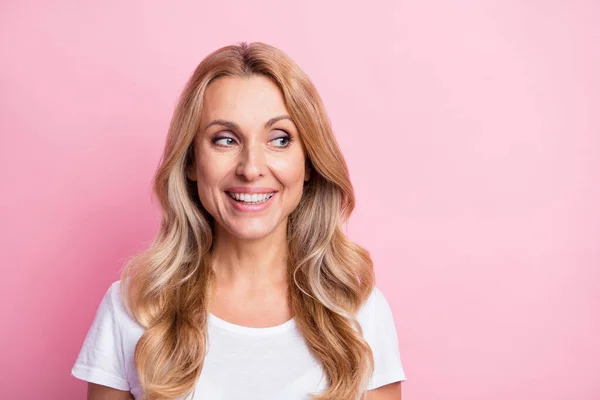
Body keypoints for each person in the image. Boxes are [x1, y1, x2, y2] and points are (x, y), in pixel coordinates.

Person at [71, 42, 407, 400]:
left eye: (279, 139)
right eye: (225, 139)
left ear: (308, 163)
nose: (250, 168)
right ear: (190, 163)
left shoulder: (359, 311)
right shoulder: (135, 307)